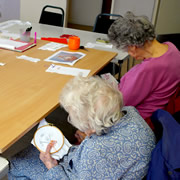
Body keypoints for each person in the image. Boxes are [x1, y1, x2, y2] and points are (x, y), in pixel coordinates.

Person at [8, 76, 155, 180]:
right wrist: (90, 137)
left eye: (72, 115)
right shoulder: (131, 114)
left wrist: (51, 166)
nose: (70, 118)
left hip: (82, 171)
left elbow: (98, 158)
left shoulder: (96, 150)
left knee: (19, 161)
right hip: (112, 167)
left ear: (91, 124)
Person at [108, 11, 180, 127]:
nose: (130, 54)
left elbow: (121, 103)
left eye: (127, 51)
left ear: (133, 47)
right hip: (160, 114)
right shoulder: (172, 48)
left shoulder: (148, 69)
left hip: (140, 122)